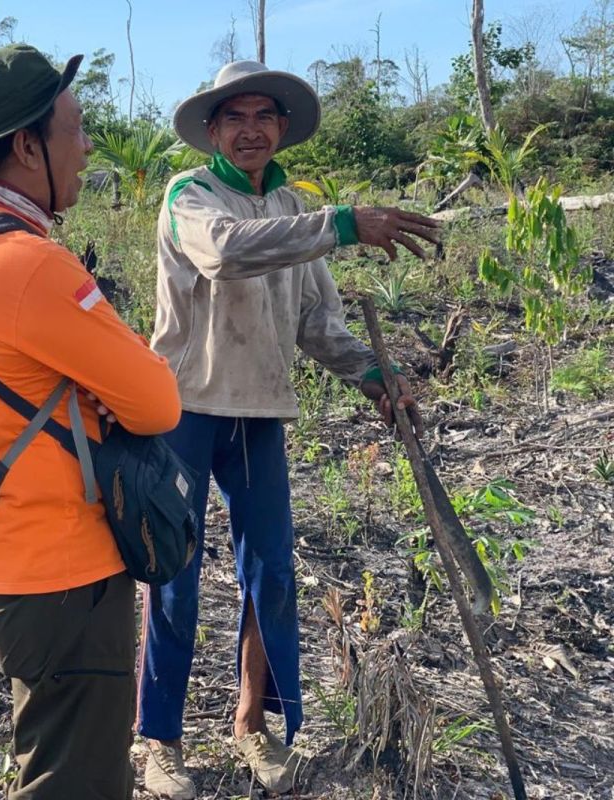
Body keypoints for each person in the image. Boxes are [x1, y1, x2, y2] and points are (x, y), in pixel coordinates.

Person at [138, 61, 438, 798]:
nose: (250, 129)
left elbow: (316, 323)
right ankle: (160, 740)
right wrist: (342, 225)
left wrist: (375, 376)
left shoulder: (291, 203)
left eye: (263, 117)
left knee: (269, 572)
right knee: (174, 577)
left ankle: (252, 724)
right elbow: (225, 253)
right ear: (212, 130)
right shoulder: (191, 196)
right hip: (183, 407)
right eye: (234, 117)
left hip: (260, 410)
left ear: (281, 129)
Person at [0, 45, 181, 797]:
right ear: (24, 145)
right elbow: (157, 400)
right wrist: (110, 379)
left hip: (7, 556)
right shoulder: (27, 265)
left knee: (52, 757)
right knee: (75, 782)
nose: (86, 148)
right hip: (63, 571)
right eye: (75, 129)